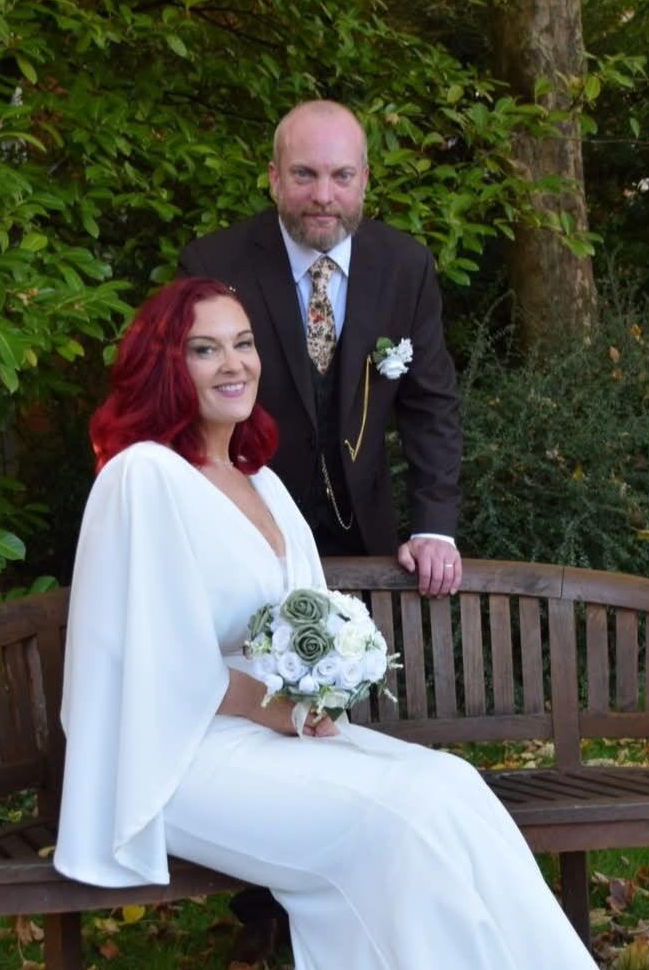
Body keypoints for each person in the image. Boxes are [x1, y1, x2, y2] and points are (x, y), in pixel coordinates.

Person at [55, 276, 640, 970]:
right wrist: (287, 706)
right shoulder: (143, 477)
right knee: (397, 819)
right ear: (164, 365)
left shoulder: (259, 480)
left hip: (270, 736)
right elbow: (160, 665)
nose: (233, 363)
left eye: (243, 343)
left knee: (449, 787)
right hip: (179, 760)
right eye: (204, 348)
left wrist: (323, 682)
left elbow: (300, 620)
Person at [179, 100, 463, 598]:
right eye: (304, 174)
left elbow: (431, 405)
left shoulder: (405, 268)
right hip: (246, 541)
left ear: (365, 180)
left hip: (366, 540)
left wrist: (434, 528)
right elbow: (183, 408)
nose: (323, 196)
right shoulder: (213, 265)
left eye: (342, 176)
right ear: (274, 177)